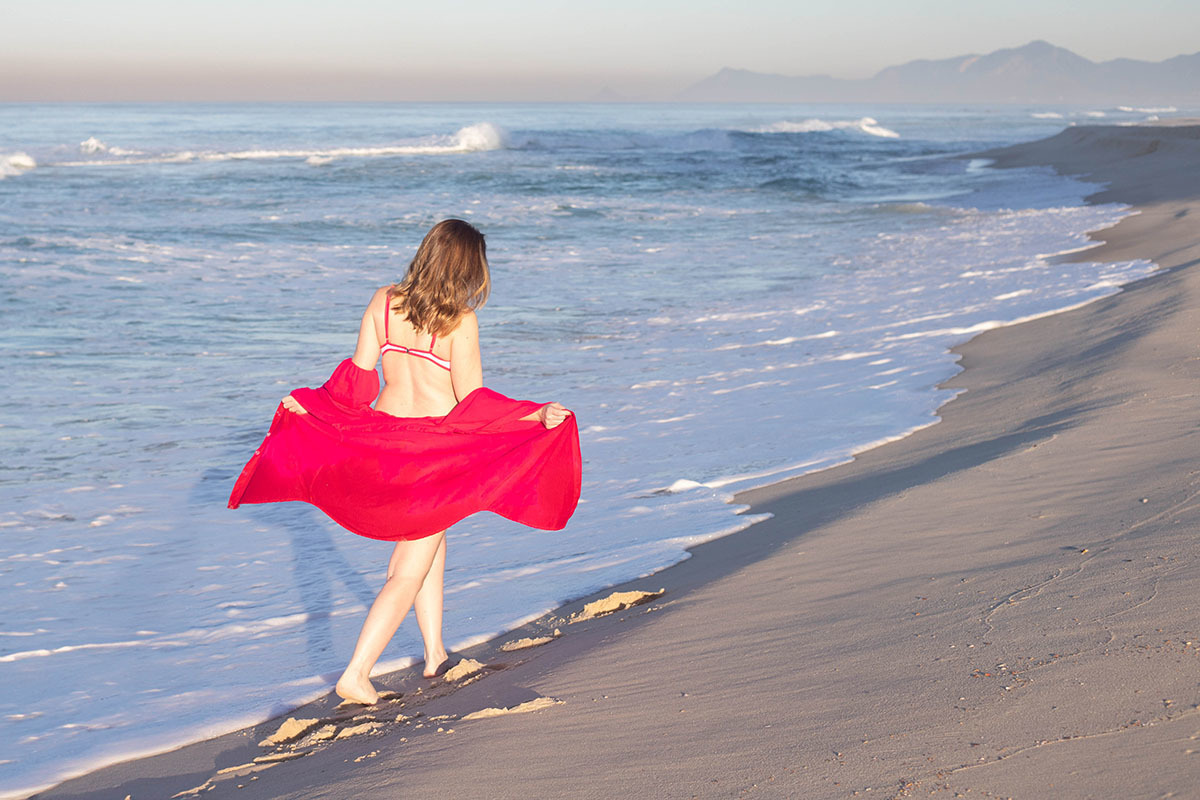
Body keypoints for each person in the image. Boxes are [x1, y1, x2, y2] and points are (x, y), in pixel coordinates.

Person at [228, 219, 581, 705]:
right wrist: (532, 415)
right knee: (406, 571)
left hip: (383, 450)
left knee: (430, 544)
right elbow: (472, 400)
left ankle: (435, 652)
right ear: (467, 268)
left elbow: (356, 381)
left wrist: (311, 404)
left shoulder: (383, 302)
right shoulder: (459, 320)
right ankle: (356, 672)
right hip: (430, 457)